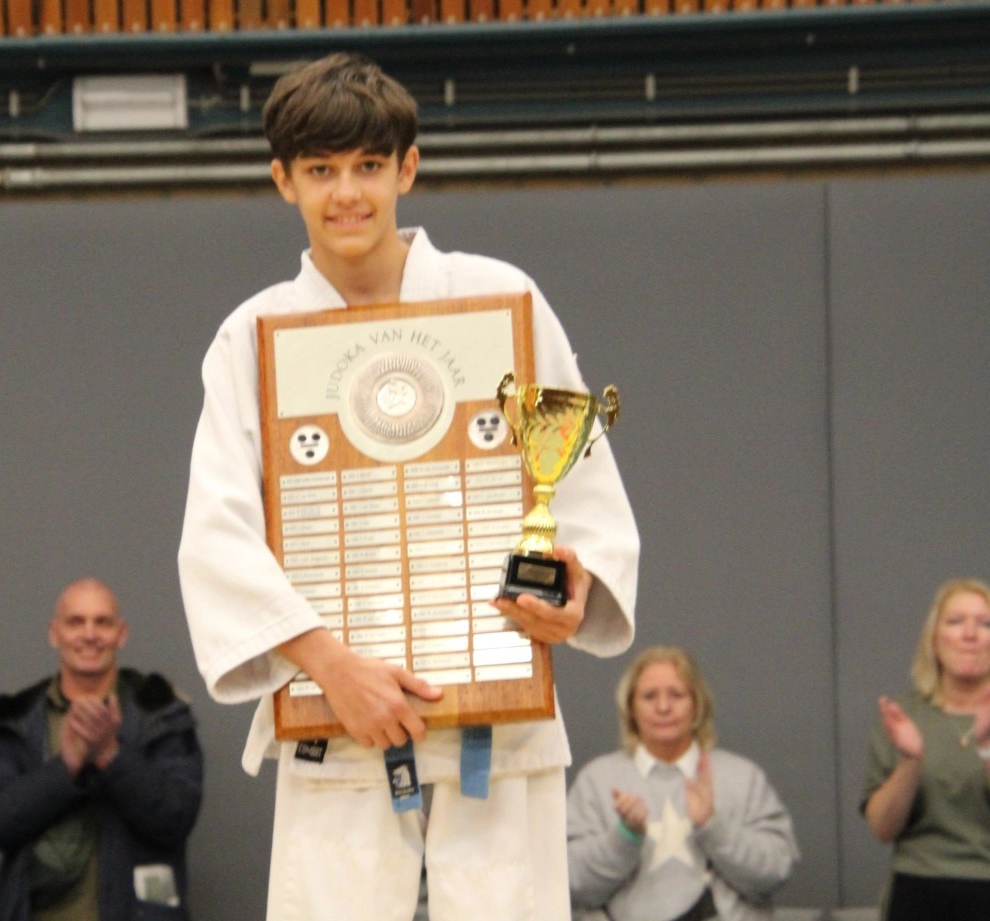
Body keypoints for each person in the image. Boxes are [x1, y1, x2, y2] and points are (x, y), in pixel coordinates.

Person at [178, 53, 639, 921]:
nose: (346, 193)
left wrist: (574, 589)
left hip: (497, 718)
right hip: (337, 717)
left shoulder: (503, 299)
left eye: (367, 166)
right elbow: (218, 532)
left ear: (408, 169)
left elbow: (579, 484)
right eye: (320, 170)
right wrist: (329, 664)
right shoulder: (253, 336)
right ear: (283, 181)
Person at [0, 577, 203, 921]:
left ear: (121, 634)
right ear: (54, 633)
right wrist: (67, 767)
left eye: (102, 622)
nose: (89, 635)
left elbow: (175, 818)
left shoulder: (161, 713)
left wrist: (110, 755)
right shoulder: (13, 717)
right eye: (75, 622)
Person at [567, 645, 798, 921]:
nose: (663, 707)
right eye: (649, 696)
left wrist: (713, 826)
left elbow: (776, 872)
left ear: (697, 704)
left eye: (676, 695)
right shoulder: (597, 781)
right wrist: (625, 837)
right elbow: (569, 882)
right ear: (630, 706)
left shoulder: (743, 778)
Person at [861, 577, 990, 921]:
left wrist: (986, 750)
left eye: (984, 623)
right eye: (955, 621)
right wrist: (910, 760)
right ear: (934, 640)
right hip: (917, 890)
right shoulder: (904, 716)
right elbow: (883, 829)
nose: (970, 634)